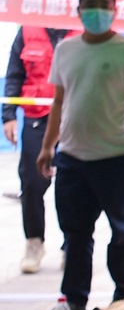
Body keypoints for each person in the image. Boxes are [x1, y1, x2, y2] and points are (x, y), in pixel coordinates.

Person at [36, 0, 124, 310]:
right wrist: (47, 147)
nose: (97, 11)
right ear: (78, 11)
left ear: (115, 10)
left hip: (116, 158)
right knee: (75, 234)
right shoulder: (66, 50)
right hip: (72, 158)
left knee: (123, 231)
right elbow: (58, 103)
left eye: (104, 4)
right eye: (90, 4)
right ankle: (75, 301)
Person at [4, 27, 72, 273]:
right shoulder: (28, 30)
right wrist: (8, 115)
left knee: (72, 186)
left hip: (74, 119)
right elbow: (14, 74)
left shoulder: (83, 30)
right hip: (37, 119)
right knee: (31, 183)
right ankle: (34, 243)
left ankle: (71, 246)